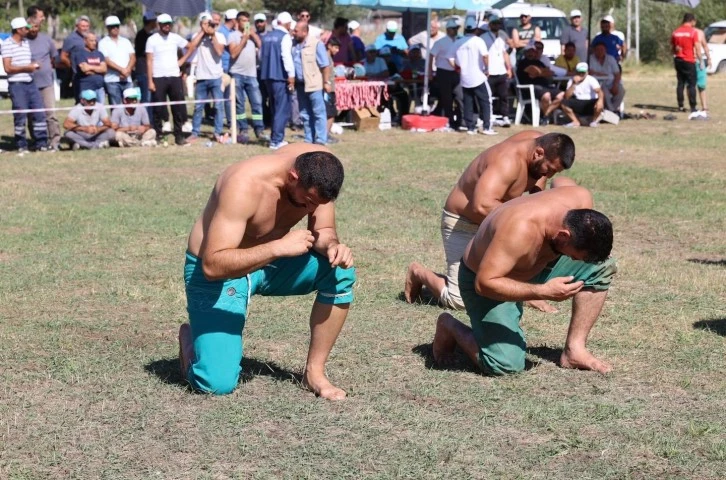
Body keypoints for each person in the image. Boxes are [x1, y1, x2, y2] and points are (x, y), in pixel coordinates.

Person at [179, 144, 356, 399]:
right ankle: (190, 344)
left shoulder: (319, 167)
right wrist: (276, 248)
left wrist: (332, 246)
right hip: (219, 272)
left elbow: (324, 230)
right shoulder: (244, 183)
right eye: (308, 202)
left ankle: (313, 373)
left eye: (316, 205)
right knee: (216, 383)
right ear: (293, 177)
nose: (309, 210)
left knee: (339, 273)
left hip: (271, 262)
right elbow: (212, 265)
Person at [432, 183, 616, 376]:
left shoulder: (580, 198)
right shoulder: (520, 229)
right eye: (575, 256)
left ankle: (574, 350)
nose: (575, 261)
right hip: (488, 279)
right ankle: (449, 326)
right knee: (505, 364)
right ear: (563, 236)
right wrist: (542, 291)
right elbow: (484, 283)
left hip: (533, 266)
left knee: (601, 266)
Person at [405, 131, 573, 312]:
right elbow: (482, 205)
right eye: (549, 169)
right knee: (460, 300)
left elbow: (537, 183)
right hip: (464, 223)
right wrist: (523, 222)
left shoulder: (538, 142)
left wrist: (537, 199)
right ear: (538, 153)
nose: (549, 175)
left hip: (494, 222)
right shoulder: (507, 161)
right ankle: (418, 273)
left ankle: (525, 294)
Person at [146, 13, 198, 146]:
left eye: (169, 23)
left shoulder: (175, 38)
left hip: (174, 76)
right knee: (158, 108)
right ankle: (158, 135)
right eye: (164, 24)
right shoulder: (152, 39)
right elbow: (149, 61)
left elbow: (191, 46)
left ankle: (179, 136)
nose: (167, 26)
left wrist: (182, 60)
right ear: (159, 25)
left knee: (178, 107)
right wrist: (150, 80)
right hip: (158, 77)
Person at [2, 17, 49, 153]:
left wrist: (34, 66)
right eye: (25, 28)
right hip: (17, 85)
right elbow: (8, 68)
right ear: (18, 30)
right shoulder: (7, 44)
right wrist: (27, 68)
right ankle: (21, 144)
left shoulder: (26, 43)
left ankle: (41, 143)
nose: (28, 30)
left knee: (39, 113)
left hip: (30, 82)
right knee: (20, 115)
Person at [189, 12, 228, 144]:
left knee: (218, 106)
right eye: (206, 23)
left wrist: (212, 35)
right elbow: (191, 46)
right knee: (198, 107)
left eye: (210, 23)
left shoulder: (220, 36)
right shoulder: (197, 35)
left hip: (216, 76)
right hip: (201, 76)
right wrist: (202, 31)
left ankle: (217, 132)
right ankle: (195, 132)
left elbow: (219, 52)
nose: (209, 25)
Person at [453, 17, 495, 136]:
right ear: (476, 29)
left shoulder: (458, 41)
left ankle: (470, 127)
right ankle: (487, 127)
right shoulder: (478, 41)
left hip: (465, 77)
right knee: (486, 101)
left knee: (468, 102)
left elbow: (450, 57)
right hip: (478, 76)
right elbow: (485, 56)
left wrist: (457, 68)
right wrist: (487, 69)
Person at [260, 11, 296, 150]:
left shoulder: (267, 36)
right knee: (282, 109)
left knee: (274, 108)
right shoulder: (285, 37)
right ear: (287, 23)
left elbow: (261, 56)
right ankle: (276, 140)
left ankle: (274, 137)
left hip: (267, 76)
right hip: (280, 77)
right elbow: (286, 57)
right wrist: (291, 75)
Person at [228, 11, 265, 143]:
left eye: (248, 20)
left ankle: (259, 129)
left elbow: (261, 46)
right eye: (243, 20)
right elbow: (233, 54)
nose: (246, 23)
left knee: (257, 102)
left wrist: (253, 35)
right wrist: (244, 39)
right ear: (237, 22)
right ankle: (243, 128)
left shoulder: (252, 37)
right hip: (237, 73)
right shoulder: (232, 36)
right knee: (240, 104)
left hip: (251, 74)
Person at [292, 20, 331, 146]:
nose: (294, 33)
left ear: (304, 32)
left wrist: (326, 82)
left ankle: (320, 139)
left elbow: (325, 65)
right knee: (304, 113)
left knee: (318, 112)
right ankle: (309, 138)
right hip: (300, 85)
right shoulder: (294, 45)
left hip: (314, 84)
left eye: (296, 31)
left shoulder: (316, 44)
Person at [27, 16, 60, 150]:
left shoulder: (46, 39)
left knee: (50, 114)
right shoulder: (23, 41)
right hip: (29, 83)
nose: (34, 29)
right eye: (31, 27)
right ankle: (37, 141)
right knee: (32, 115)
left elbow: (54, 57)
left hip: (46, 83)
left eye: (36, 26)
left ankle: (55, 141)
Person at [516, 44, 563, 125]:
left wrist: (539, 72)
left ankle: (545, 116)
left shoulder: (539, 62)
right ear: (525, 53)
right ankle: (545, 117)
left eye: (532, 51)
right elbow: (532, 71)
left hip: (544, 86)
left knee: (562, 95)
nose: (531, 53)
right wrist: (542, 71)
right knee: (546, 96)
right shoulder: (522, 63)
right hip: (529, 89)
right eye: (528, 52)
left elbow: (550, 73)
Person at [430, 18, 462, 130]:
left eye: (457, 28)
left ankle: (460, 120)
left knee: (459, 96)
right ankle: (448, 120)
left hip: (456, 72)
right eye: (454, 29)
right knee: (446, 98)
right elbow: (431, 55)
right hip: (443, 72)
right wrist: (430, 72)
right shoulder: (440, 42)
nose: (456, 30)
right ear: (448, 30)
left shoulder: (459, 40)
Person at [99, 15, 135, 106]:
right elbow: (106, 60)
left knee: (130, 106)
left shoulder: (126, 41)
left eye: (117, 26)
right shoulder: (103, 43)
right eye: (112, 26)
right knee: (116, 108)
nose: (115, 28)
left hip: (127, 79)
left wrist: (127, 70)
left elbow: (133, 57)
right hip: (112, 80)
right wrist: (121, 70)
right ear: (108, 28)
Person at [482, 15, 512, 127]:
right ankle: (488, 116)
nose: (497, 25)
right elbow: (483, 55)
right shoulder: (484, 37)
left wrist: (509, 68)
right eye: (494, 23)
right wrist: (485, 68)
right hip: (490, 70)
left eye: (498, 23)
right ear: (490, 25)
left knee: (503, 95)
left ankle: (505, 116)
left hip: (501, 70)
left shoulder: (502, 35)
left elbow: (505, 53)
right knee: (488, 96)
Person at [671, 13, 701, 116]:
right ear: (692, 20)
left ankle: (680, 105)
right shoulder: (693, 32)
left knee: (680, 83)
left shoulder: (676, 32)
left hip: (678, 60)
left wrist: (677, 51)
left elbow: (673, 48)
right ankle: (693, 107)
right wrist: (701, 60)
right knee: (691, 84)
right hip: (689, 60)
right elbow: (697, 47)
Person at [561, 63, 604, 128]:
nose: (581, 74)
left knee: (599, 104)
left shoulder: (591, 79)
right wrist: (574, 84)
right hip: (578, 101)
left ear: (587, 72)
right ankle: (575, 121)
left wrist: (600, 100)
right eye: (579, 72)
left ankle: (594, 121)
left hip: (590, 101)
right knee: (564, 103)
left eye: (583, 72)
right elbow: (567, 96)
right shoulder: (571, 80)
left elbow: (599, 91)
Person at [60, 15, 91, 101]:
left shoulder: (92, 37)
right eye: (83, 26)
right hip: (79, 75)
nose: (85, 28)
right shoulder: (70, 39)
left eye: (87, 26)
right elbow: (63, 57)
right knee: (82, 99)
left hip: (93, 73)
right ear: (77, 26)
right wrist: (73, 67)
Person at [589, 43, 625, 113]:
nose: (600, 51)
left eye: (602, 49)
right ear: (594, 50)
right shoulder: (590, 59)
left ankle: (610, 111)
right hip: (597, 84)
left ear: (605, 50)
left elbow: (617, 74)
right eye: (598, 50)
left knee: (621, 90)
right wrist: (600, 74)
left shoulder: (611, 59)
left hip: (611, 82)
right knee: (604, 91)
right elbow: (589, 72)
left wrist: (615, 85)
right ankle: (612, 111)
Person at [71, 32, 107, 104]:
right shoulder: (80, 54)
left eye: (95, 41)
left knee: (100, 110)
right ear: (85, 41)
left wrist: (90, 67)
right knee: (86, 110)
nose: (94, 43)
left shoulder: (99, 54)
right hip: (86, 88)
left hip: (99, 88)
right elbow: (84, 69)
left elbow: (104, 69)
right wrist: (98, 70)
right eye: (91, 41)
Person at [134, 11, 157, 120]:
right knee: (146, 99)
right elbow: (142, 52)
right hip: (143, 71)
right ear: (151, 22)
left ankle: (152, 121)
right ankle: (146, 122)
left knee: (152, 99)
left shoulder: (152, 35)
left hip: (152, 71)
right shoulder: (141, 35)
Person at [218, 9, 238, 129]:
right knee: (227, 97)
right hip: (224, 68)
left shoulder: (228, 31)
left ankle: (231, 120)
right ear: (233, 20)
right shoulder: (224, 33)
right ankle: (230, 121)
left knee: (230, 96)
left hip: (228, 67)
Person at [695, 23, 710, 118]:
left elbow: (704, 46)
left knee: (696, 85)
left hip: (692, 60)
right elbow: (702, 46)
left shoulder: (698, 32)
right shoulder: (699, 32)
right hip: (695, 60)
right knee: (699, 85)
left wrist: (708, 57)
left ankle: (701, 106)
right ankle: (701, 106)